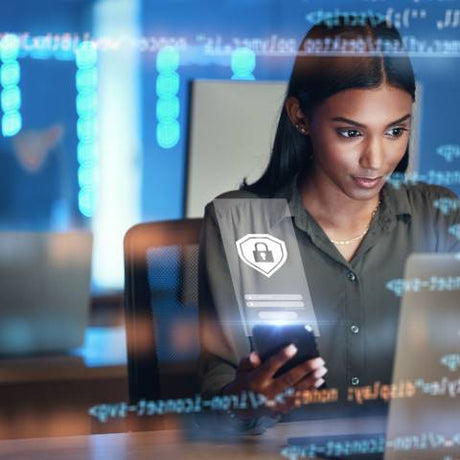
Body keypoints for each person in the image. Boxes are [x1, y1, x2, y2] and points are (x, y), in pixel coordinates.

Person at [197, 15, 460, 433]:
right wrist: (244, 399)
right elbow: (219, 388)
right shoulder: (242, 222)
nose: (376, 160)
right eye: (350, 133)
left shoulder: (439, 219)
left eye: (395, 131)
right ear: (301, 117)